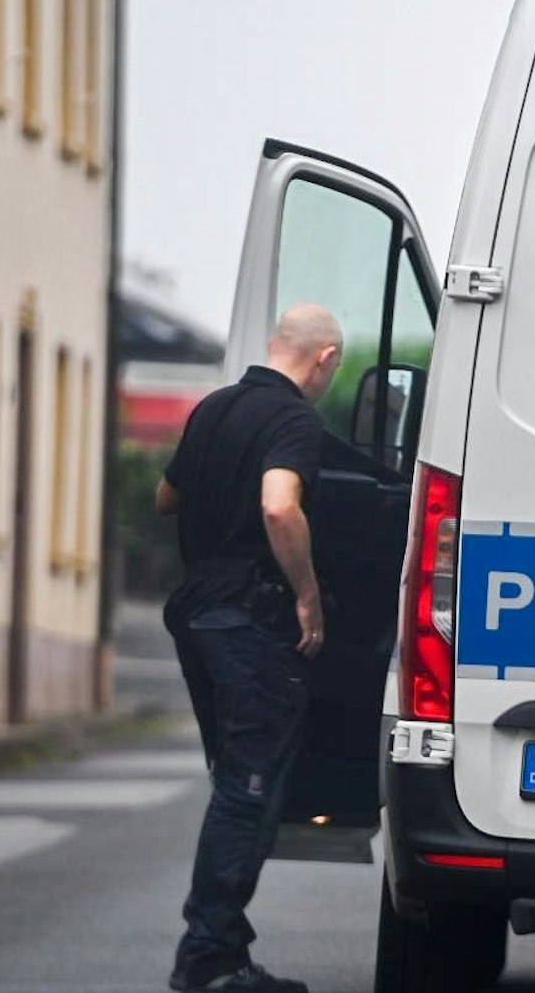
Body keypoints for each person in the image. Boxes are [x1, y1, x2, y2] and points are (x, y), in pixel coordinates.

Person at [156, 304, 344, 993]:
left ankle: (220, 949)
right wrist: (306, 594)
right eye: (333, 368)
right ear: (324, 359)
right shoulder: (296, 421)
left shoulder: (213, 408)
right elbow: (278, 505)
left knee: (235, 782)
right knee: (248, 789)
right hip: (248, 621)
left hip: (198, 617)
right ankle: (209, 957)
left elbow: (165, 497)